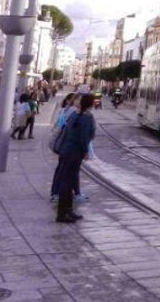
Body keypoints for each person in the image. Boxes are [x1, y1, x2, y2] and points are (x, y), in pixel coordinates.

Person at [54, 92, 96, 223]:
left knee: (69, 181)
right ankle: (62, 213)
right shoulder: (87, 117)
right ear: (91, 104)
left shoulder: (75, 114)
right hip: (75, 152)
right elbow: (84, 137)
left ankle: (68, 210)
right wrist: (85, 152)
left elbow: (67, 130)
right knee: (68, 182)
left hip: (67, 151)